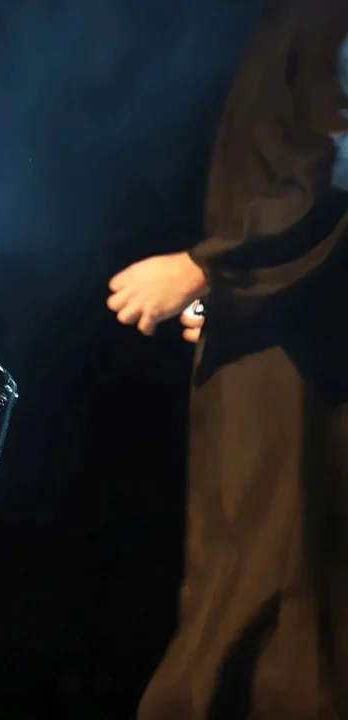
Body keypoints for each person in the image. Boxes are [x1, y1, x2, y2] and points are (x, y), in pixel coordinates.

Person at [107, 0, 347, 717]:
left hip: (312, 365)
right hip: (281, 330)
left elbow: (336, 166)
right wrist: (238, 300)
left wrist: (207, 268)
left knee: (286, 594)